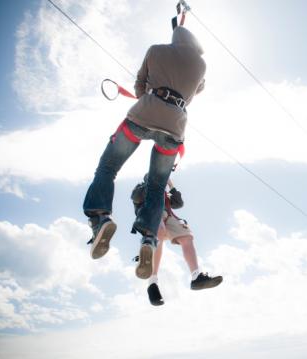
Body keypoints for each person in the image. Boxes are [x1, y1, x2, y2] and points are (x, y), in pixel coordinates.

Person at [83, 25, 206, 280]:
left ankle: (100, 218)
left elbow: (140, 85)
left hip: (143, 115)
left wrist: (148, 96)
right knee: (157, 187)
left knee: (108, 168)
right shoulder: (201, 66)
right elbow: (194, 93)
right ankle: (149, 239)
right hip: (174, 127)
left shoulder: (155, 50)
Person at [131, 177, 223, 306]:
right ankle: (152, 283)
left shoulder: (165, 193)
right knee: (160, 232)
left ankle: (196, 276)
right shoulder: (140, 188)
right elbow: (137, 198)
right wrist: (152, 183)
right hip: (149, 214)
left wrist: (170, 185)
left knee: (187, 237)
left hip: (167, 215)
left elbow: (178, 203)